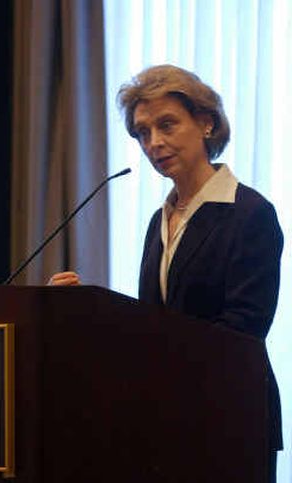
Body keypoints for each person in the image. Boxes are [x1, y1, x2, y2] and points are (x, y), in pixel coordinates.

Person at [50, 64, 283, 482]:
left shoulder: (250, 214)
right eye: (142, 133)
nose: (153, 142)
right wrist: (86, 308)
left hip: (231, 420)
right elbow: (153, 322)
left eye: (167, 124)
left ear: (206, 123)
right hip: (169, 419)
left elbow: (242, 331)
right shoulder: (161, 220)